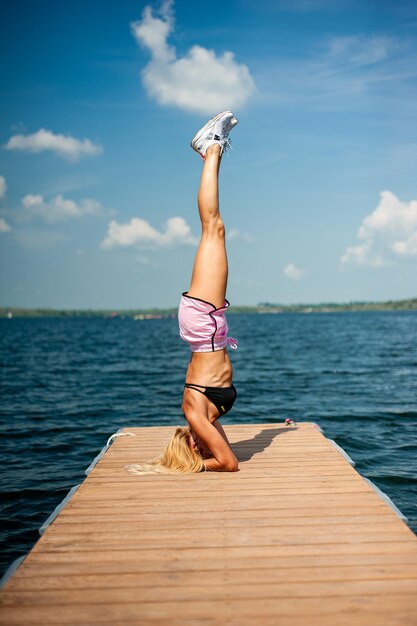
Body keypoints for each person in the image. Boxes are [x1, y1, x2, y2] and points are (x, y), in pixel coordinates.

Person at [129, 111, 239, 475]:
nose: (198, 439)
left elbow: (228, 463)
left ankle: (210, 149)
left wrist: (184, 466)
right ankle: (211, 151)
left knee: (213, 228)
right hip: (209, 327)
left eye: (192, 442)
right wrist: (197, 461)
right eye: (196, 445)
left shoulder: (193, 413)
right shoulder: (202, 422)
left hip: (202, 325)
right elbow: (226, 458)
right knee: (215, 229)